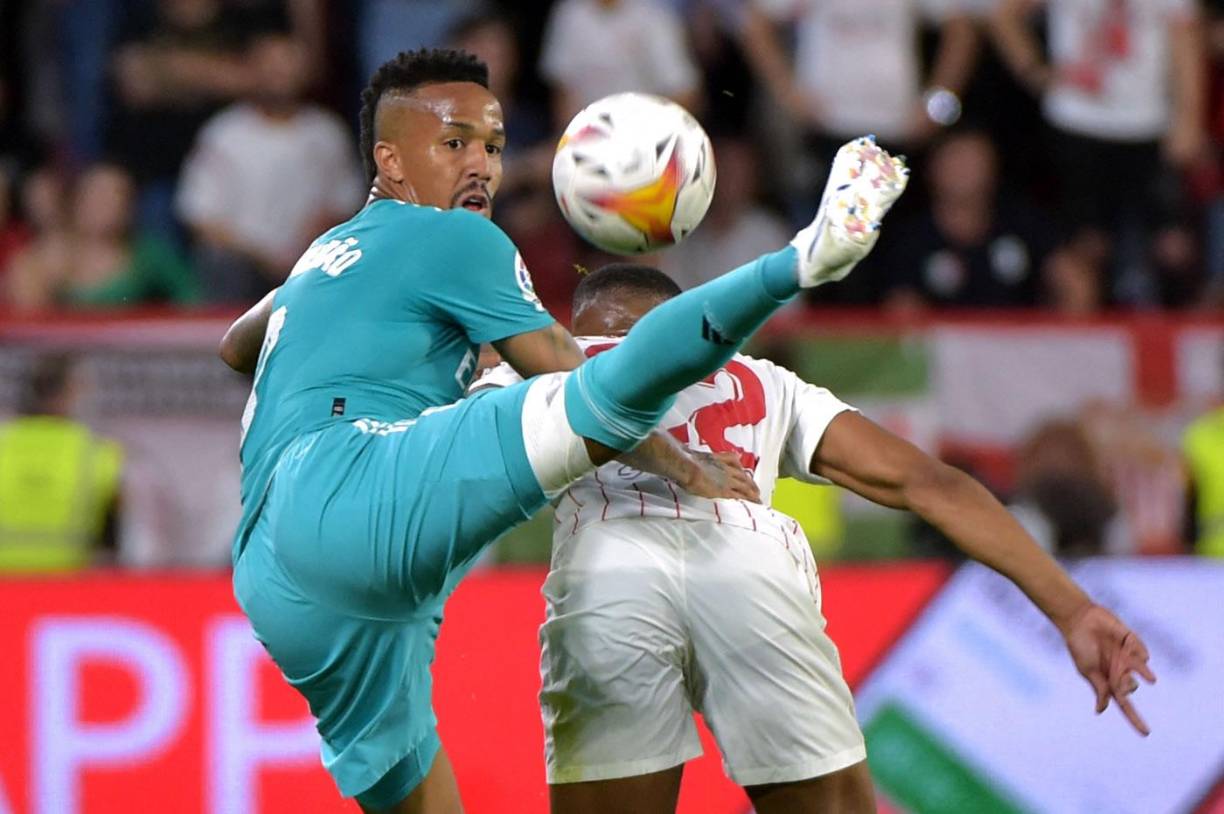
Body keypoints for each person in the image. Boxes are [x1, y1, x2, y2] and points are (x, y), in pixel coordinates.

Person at [217, 48, 911, 812]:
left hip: (272, 572)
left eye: (492, 143)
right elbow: (565, 372)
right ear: (391, 159)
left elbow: (236, 345)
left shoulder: (325, 254)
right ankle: (800, 262)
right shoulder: (456, 237)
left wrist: (337, 305)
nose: (480, 163)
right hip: (354, 486)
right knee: (576, 391)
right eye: (454, 143)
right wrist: (681, 463)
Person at [472, 265, 1157, 814]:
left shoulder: (540, 366)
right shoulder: (762, 381)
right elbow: (926, 484)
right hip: (749, 570)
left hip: (607, 569)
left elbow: (424, 471)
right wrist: (1071, 608)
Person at [177, 30, 364, 303]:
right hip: (244, 262)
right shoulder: (225, 133)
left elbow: (346, 202)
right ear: (253, 70)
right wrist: (262, 256)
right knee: (218, 262)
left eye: (288, 64)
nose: (280, 74)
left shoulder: (326, 132)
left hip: (311, 259)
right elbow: (201, 216)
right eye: (271, 65)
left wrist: (310, 240)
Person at [0, 353, 122, 571]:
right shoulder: (98, 454)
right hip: (66, 590)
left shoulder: (4, 443)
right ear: (70, 392)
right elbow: (112, 546)